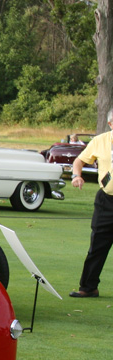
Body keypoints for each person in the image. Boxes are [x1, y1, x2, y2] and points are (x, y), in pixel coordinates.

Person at [69, 111, 113, 297]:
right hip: (106, 200)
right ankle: (88, 287)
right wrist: (76, 175)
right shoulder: (100, 141)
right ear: (111, 123)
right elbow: (79, 160)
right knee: (97, 245)